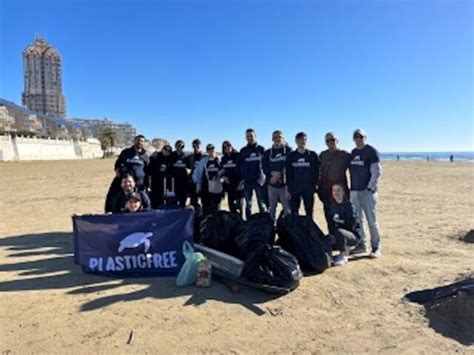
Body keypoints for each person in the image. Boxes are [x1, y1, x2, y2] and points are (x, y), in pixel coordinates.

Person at [349, 128, 382, 258]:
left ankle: (376, 247)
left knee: (372, 221)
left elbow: (377, 171)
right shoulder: (353, 152)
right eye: (356, 137)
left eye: (361, 137)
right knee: (358, 220)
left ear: (365, 138)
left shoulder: (371, 151)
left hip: (367, 192)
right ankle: (362, 244)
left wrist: (370, 187)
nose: (358, 139)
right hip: (355, 191)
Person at [104, 135, 150, 212]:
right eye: (137, 140)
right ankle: (110, 213)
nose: (139, 142)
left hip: (138, 183)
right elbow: (118, 163)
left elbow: (148, 170)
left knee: (136, 202)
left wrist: (147, 184)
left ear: (144, 143)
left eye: (142, 141)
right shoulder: (126, 152)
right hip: (123, 181)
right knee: (113, 197)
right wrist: (117, 169)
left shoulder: (145, 156)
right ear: (134, 141)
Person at [318, 132, 351, 227]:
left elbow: (356, 169)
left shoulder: (344, 155)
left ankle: (344, 236)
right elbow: (317, 171)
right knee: (328, 215)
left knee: (342, 216)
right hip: (326, 190)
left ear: (337, 141)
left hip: (340, 191)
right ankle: (332, 237)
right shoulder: (322, 155)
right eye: (328, 140)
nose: (330, 142)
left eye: (333, 140)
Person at [285, 132, 320, 217]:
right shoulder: (291, 156)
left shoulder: (312, 155)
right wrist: (288, 189)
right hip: (294, 189)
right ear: (296, 141)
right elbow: (288, 173)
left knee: (309, 212)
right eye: (300, 140)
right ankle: (295, 230)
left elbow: (317, 171)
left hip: (308, 189)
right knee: (294, 213)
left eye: (304, 139)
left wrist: (315, 185)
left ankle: (310, 229)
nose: (302, 142)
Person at [326, 184, 362, 266]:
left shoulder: (349, 206)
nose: (336, 192)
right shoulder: (332, 206)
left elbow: (352, 226)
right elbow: (331, 223)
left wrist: (338, 234)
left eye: (338, 190)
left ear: (343, 192)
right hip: (338, 235)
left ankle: (343, 254)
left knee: (340, 232)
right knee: (325, 239)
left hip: (352, 236)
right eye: (334, 190)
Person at [262, 130, 292, 222]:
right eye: (275, 137)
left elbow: (290, 167)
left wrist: (280, 176)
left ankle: (288, 231)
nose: (277, 139)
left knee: (287, 209)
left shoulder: (289, 151)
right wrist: (271, 174)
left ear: (283, 138)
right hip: (272, 185)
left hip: (284, 186)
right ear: (272, 139)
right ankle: (272, 230)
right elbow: (264, 166)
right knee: (272, 209)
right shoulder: (268, 152)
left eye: (279, 137)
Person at [238, 128, 266, 219]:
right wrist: (242, 179)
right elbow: (239, 166)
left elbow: (266, 164)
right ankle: (248, 225)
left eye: (251, 136)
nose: (250, 138)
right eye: (248, 136)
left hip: (259, 181)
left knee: (261, 204)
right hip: (247, 182)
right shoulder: (243, 151)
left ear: (255, 136)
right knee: (248, 205)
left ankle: (264, 224)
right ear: (246, 138)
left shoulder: (261, 149)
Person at [192, 144, 222, 215]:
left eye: (212, 149)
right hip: (205, 188)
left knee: (216, 208)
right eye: (209, 149)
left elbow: (224, 171)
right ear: (207, 151)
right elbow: (196, 172)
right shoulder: (203, 161)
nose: (211, 151)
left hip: (216, 188)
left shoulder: (219, 160)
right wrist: (196, 181)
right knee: (205, 208)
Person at [145, 144, 173, 208]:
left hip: (166, 183)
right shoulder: (156, 157)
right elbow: (149, 169)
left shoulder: (170, 159)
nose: (166, 152)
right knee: (154, 199)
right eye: (165, 150)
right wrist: (148, 184)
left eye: (168, 151)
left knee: (164, 199)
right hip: (155, 181)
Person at [220, 140, 243, 215]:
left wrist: (241, 182)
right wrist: (224, 177)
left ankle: (241, 221)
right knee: (231, 204)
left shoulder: (238, 156)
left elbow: (243, 169)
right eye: (225, 147)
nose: (227, 148)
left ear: (231, 146)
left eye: (228, 146)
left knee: (239, 205)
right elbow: (221, 170)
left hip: (238, 183)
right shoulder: (224, 158)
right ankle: (234, 221)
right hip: (229, 184)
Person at [170, 140, 189, 207]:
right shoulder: (171, 155)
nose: (180, 148)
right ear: (175, 146)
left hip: (183, 181)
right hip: (173, 181)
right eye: (178, 146)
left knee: (182, 201)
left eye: (182, 146)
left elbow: (190, 166)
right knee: (172, 201)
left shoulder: (186, 156)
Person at [187, 139, 204, 209]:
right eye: (194, 146)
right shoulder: (190, 157)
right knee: (193, 201)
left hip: (202, 182)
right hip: (193, 181)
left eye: (197, 145)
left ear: (200, 146)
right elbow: (187, 167)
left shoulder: (205, 157)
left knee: (204, 201)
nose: (196, 147)